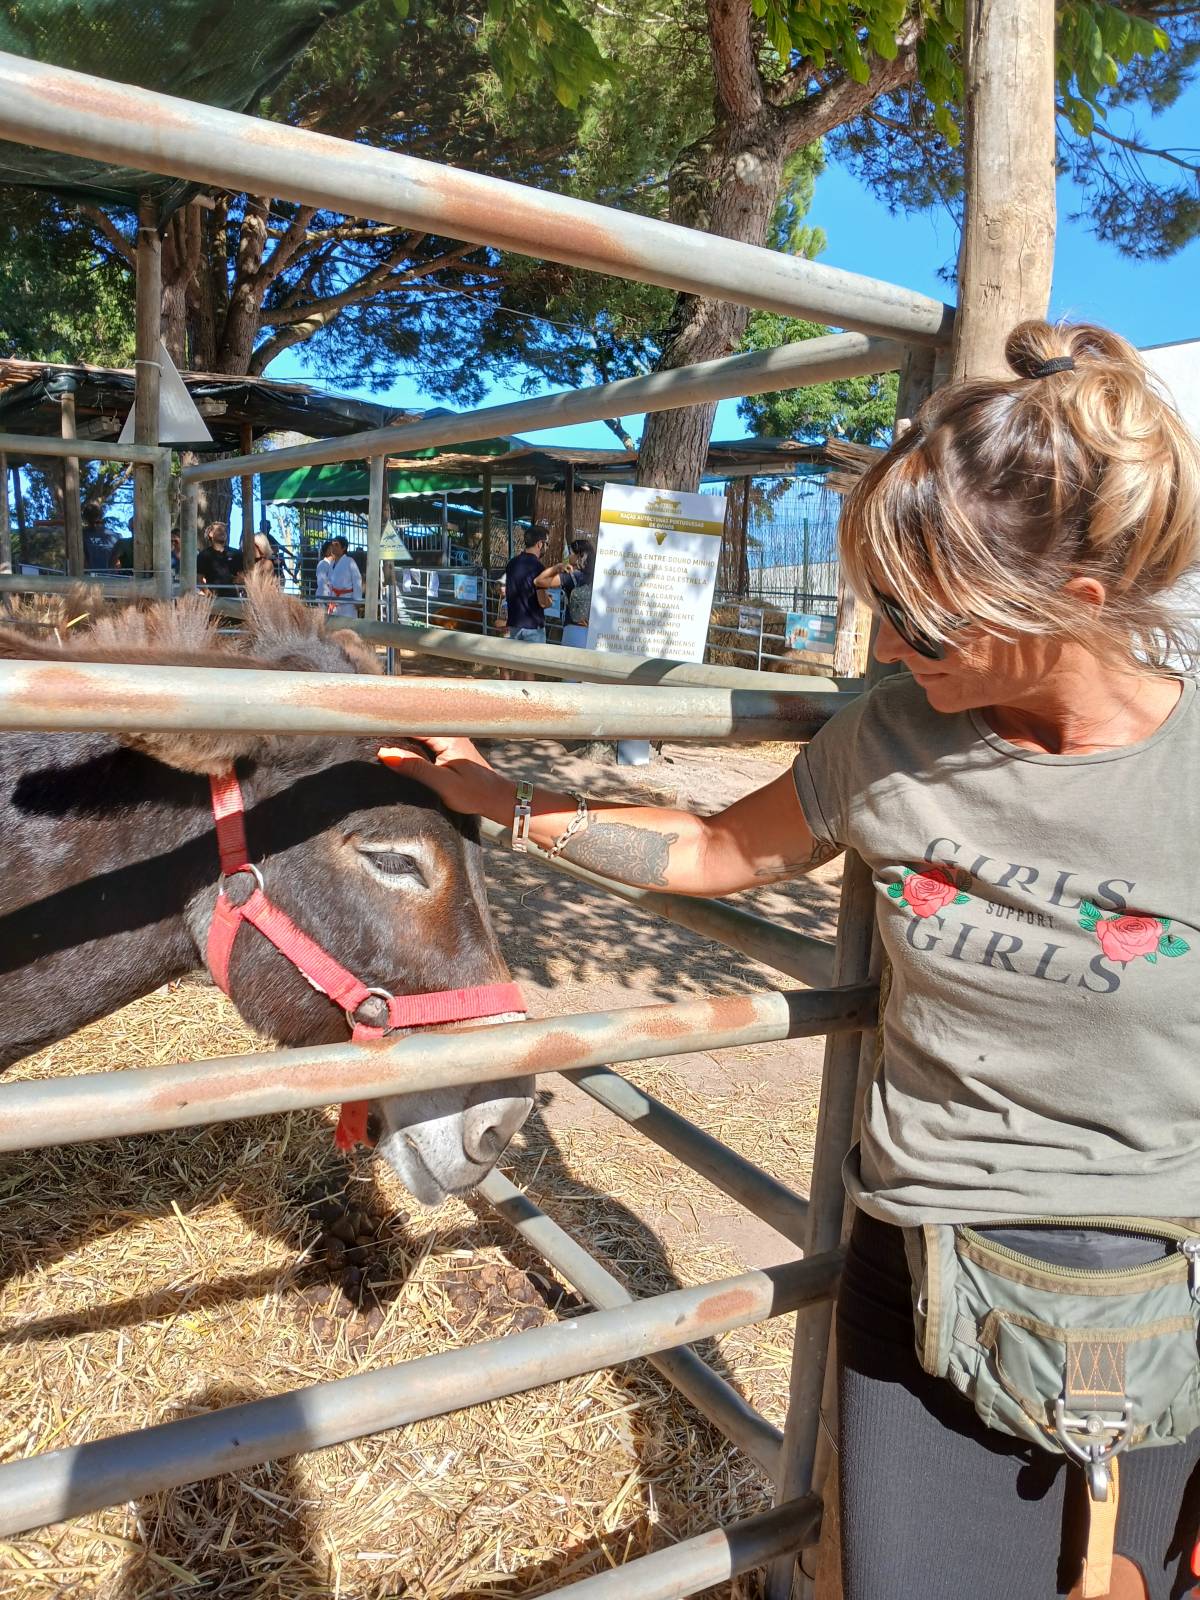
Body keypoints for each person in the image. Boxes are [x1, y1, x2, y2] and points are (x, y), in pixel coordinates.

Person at [378, 321, 1200, 1600]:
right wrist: (512, 803)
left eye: (926, 621)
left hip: (1153, 1296)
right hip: (919, 1272)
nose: (887, 650)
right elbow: (712, 846)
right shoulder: (890, 737)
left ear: (1072, 610)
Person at [195, 521, 244, 595]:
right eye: (219, 530)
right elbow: (199, 578)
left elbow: (244, 574)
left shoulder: (236, 553)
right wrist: (207, 592)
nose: (223, 532)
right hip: (214, 599)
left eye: (224, 531)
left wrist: (240, 580)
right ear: (211, 534)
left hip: (234, 598)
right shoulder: (203, 555)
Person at [322, 535, 362, 616]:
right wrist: (328, 598)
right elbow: (329, 584)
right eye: (332, 545)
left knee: (348, 627)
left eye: (336, 545)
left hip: (348, 603)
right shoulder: (332, 564)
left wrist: (357, 600)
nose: (333, 547)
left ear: (343, 548)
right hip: (334, 602)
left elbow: (357, 580)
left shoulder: (350, 561)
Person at [80, 501, 115, 572]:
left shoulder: (80, 535)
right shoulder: (116, 536)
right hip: (112, 579)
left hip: (88, 579)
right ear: (101, 516)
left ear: (84, 518)